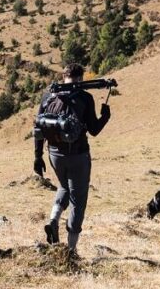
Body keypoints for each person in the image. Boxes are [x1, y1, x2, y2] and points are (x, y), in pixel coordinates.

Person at [33, 63, 111, 252]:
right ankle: (71, 250)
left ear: (64, 76)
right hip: (78, 155)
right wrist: (105, 116)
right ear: (80, 78)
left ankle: (53, 220)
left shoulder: (48, 96)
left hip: (54, 154)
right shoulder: (84, 98)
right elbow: (94, 130)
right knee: (78, 201)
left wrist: (38, 156)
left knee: (63, 187)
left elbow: (39, 128)